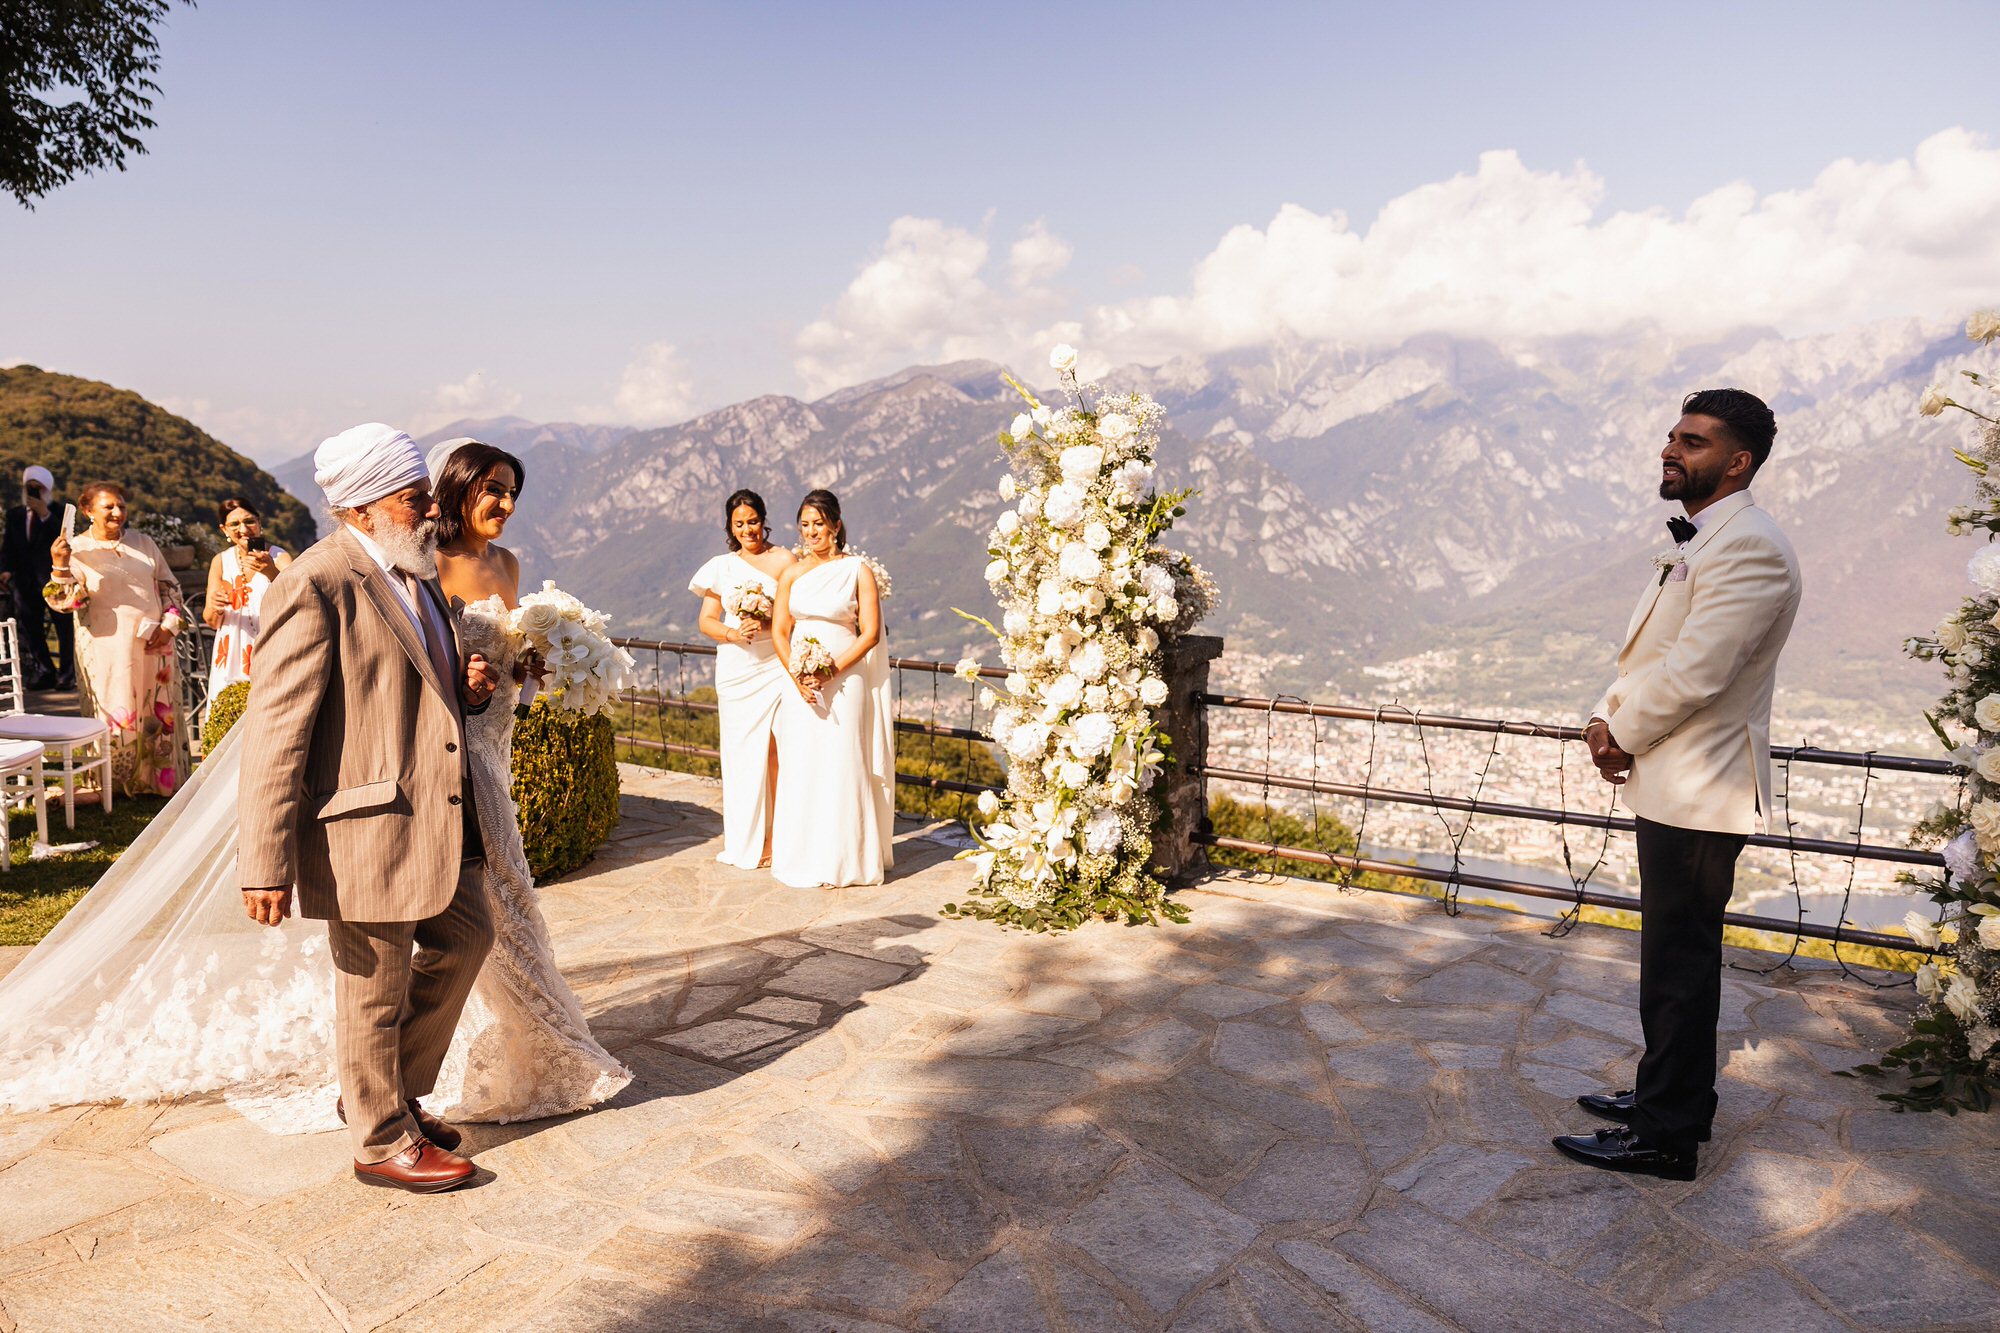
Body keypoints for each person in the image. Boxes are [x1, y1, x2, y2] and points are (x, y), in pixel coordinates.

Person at [238, 422, 502, 1194]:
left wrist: (469, 687)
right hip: (364, 826)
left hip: (434, 821)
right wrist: (265, 861)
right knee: (374, 984)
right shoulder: (315, 583)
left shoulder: (413, 574)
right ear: (362, 508)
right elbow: (276, 733)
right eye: (415, 497)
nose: (431, 512)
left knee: (469, 935)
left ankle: (384, 1093)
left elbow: (418, 690)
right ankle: (381, 1139)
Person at [1555, 389, 1801, 1181]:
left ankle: (1667, 1136)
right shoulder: (1701, 537)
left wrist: (1619, 734)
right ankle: (1665, 1095)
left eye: (1692, 441)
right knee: (1668, 961)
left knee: (1682, 966)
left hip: (1701, 788)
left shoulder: (1752, 547)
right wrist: (1604, 717)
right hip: (1669, 777)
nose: (1672, 449)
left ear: (1738, 461)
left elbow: (1699, 670)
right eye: (1671, 435)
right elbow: (1646, 654)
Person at [424, 436, 632, 1119]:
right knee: (502, 891)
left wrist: (533, 669)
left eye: (514, 491)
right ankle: (545, 1038)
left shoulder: (507, 561)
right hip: (455, 751)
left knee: (507, 889)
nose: (507, 504)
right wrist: (466, 681)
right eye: (494, 489)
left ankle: (537, 1032)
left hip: (499, 743)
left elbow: (504, 659)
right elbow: (421, 670)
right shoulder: (428, 565)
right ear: (458, 487)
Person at [769, 489, 894, 889]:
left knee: (843, 762)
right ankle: (805, 855)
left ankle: (845, 860)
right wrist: (798, 675)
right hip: (800, 684)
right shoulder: (790, 573)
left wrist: (830, 671)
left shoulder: (859, 570)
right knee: (803, 763)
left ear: (836, 525)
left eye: (818, 524)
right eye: (804, 525)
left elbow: (870, 633)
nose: (811, 533)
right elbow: (780, 631)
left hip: (846, 679)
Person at [48, 481, 190, 796]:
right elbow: (65, 603)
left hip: (155, 643)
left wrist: (168, 625)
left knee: (156, 711)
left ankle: (156, 784)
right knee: (115, 708)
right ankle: (111, 785)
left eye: (121, 506)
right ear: (87, 511)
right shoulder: (77, 550)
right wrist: (60, 565)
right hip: (105, 649)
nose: (117, 512)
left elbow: (170, 587)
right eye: (108, 506)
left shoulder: (144, 543)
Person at [689, 488, 794, 869]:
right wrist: (735, 633)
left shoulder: (785, 559)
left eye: (752, 521)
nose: (748, 529)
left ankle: (780, 835)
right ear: (730, 528)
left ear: (763, 520)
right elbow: (706, 621)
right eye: (739, 524)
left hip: (775, 663)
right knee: (742, 755)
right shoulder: (722, 566)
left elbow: (796, 611)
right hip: (736, 668)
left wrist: (769, 623)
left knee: (778, 749)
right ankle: (749, 839)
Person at [201, 496, 292, 700]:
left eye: (249, 521)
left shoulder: (279, 557)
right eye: (234, 524)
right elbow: (211, 621)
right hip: (230, 651)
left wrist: (270, 572)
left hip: (269, 647)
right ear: (224, 529)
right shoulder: (220, 562)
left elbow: (296, 598)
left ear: (259, 523)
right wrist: (215, 606)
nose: (243, 529)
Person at [2, 465, 73, 690]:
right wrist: (5, 569)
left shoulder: (60, 513)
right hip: (24, 583)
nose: (33, 492)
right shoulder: (15, 515)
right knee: (31, 628)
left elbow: (67, 541)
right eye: (30, 488)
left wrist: (45, 515)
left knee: (64, 627)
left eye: (38, 488)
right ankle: (45, 672)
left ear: (47, 489)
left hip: (54, 580)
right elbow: (8, 546)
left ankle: (67, 675)